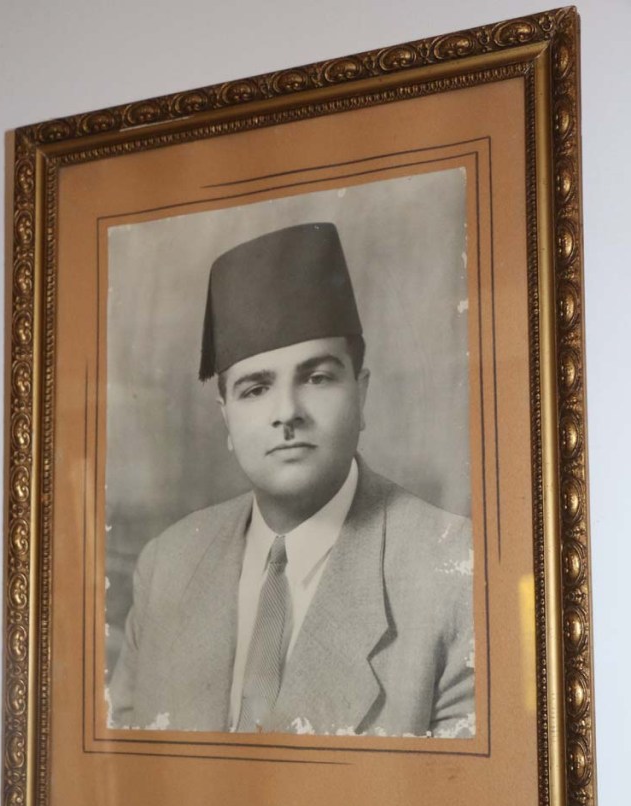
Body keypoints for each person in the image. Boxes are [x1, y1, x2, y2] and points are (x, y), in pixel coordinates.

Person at [109, 222, 475, 737]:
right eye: (255, 389)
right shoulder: (167, 566)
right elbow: (126, 780)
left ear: (361, 394)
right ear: (227, 420)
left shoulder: (456, 574)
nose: (287, 413)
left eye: (317, 377)